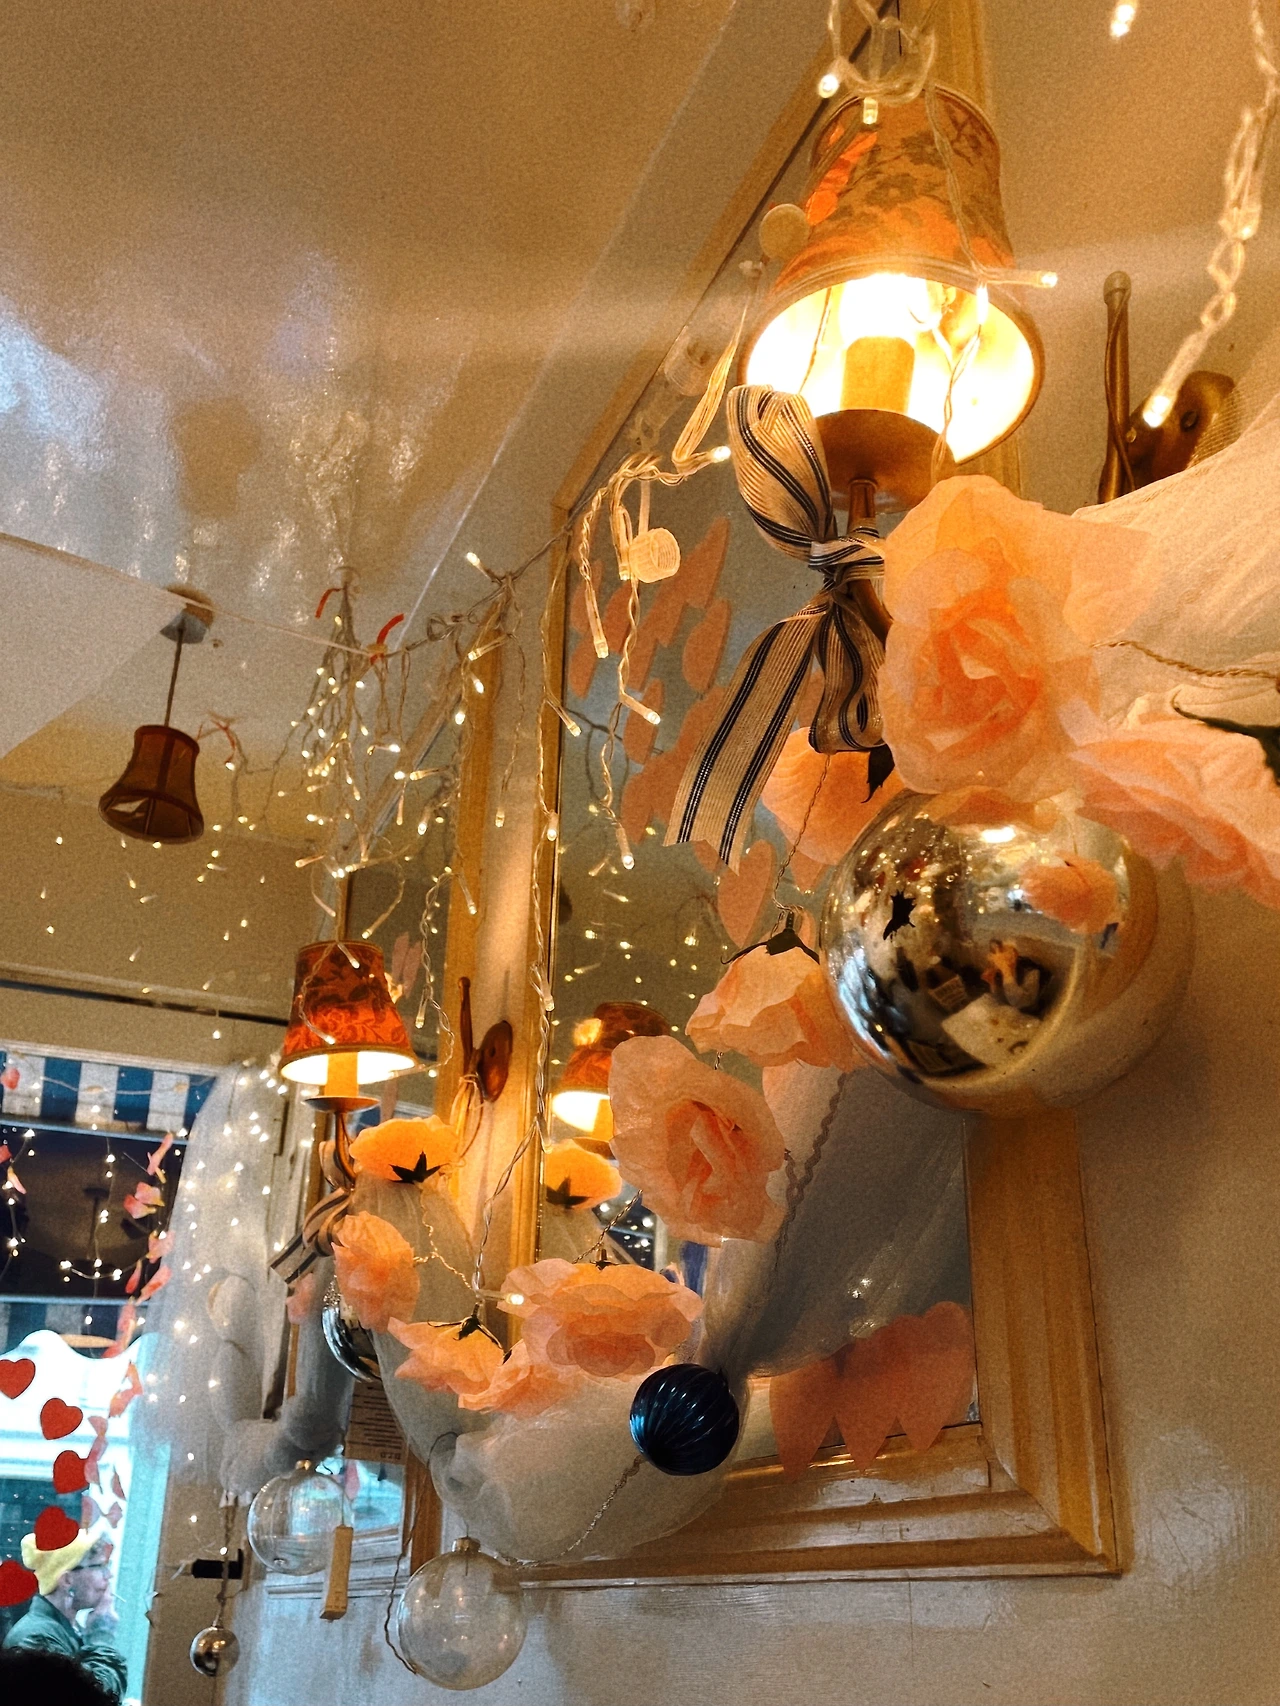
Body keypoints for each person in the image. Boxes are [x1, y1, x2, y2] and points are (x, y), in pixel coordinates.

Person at [2, 1528, 126, 1705]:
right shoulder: (36, 1637)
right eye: (100, 1566)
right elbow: (91, 1698)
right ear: (67, 1580)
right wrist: (101, 1639)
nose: (109, 1575)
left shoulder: (66, 1629)